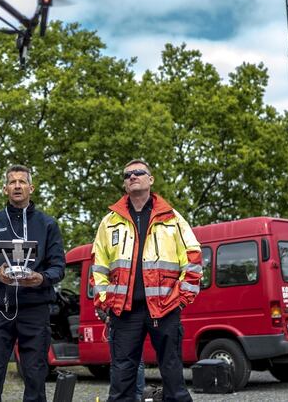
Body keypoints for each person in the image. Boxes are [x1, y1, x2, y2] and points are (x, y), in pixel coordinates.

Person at [92, 160, 202, 402]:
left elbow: (193, 259)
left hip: (164, 309)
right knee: (121, 381)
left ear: (150, 180)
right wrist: (105, 303)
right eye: (127, 175)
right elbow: (98, 268)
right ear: (124, 183)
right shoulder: (109, 222)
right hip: (125, 312)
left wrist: (181, 300)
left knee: (174, 379)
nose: (133, 177)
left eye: (139, 173)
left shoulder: (173, 219)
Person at [0, 165, 66, 402]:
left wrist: (42, 278)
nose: (17, 186)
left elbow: (58, 267)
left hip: (35, 309)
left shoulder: (47, 224)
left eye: (22, 182)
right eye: (12, 182)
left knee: (35, 375)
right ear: (5, 189)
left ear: (31, 188)